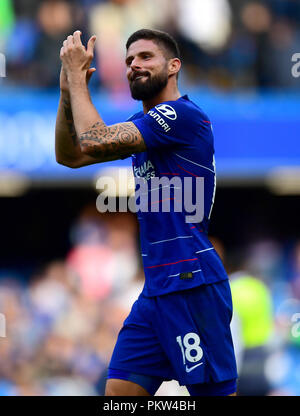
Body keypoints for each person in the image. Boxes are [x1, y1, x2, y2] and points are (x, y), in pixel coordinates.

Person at [55, 28, 238, 396]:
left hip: (193, 283)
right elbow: (70, 155)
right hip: (155, 290)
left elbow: (94, 140)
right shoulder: (148, 128)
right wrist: (66, 91)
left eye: (145, 57)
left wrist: (77, 79)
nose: (134, 65)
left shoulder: (181, 115)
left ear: (174, 66)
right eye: (128, 61)